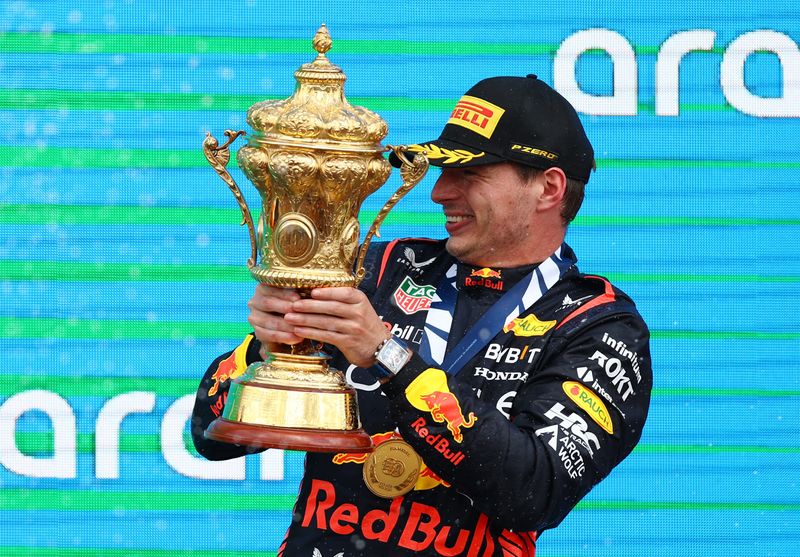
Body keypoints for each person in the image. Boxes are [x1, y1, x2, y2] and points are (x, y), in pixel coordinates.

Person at [192, 74, 652, 557]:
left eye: (469, 175)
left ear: (548, 188)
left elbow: (533, 492)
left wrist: (385, 355)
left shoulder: (597, 325)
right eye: (439, 171)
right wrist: (268, 347)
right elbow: (212, 436)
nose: (439, 193)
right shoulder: (379, 267)